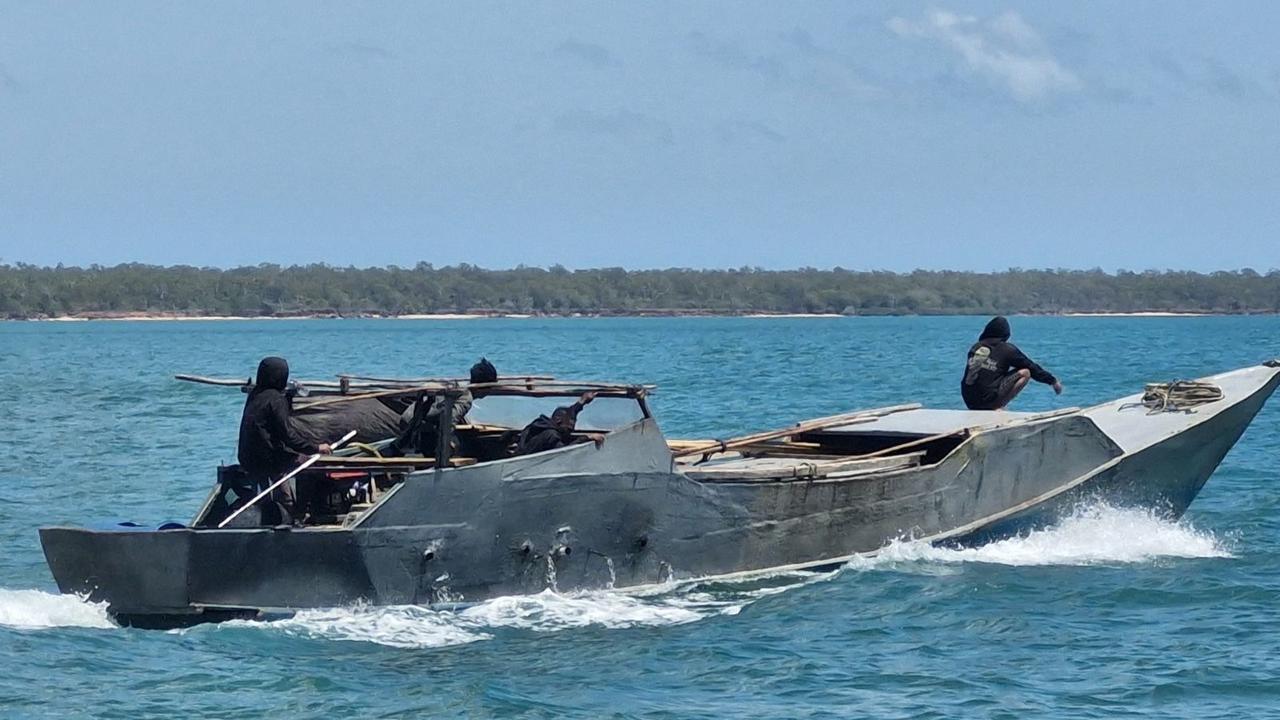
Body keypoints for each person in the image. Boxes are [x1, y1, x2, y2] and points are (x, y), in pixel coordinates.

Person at [237, 357, 332, 504]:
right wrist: (316, 448)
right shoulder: (276, 400)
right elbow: (289, 437)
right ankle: (302, 508)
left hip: (247, 457)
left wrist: (288, 398)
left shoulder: (254, 395)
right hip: (268, 459)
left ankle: (275, 504)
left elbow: (270, 421)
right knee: (310, 465)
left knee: (279, 464)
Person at [961, 316, 1063, 410]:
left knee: (977, 377)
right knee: (1025, 372)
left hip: (969, 399)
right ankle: (999, 406)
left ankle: (976, 387)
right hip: (989, 399)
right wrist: (1052, 381)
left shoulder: (976, 347)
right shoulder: (1007, 350)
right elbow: (1031, 367)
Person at [516, 391, 604, 455]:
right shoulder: (551, 435)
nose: (571, 428)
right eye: (569, 426)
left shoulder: (544, 424)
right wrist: (587, 437)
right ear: (558, 421)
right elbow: (564, 452)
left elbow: (571, 412)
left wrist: (582, 401)